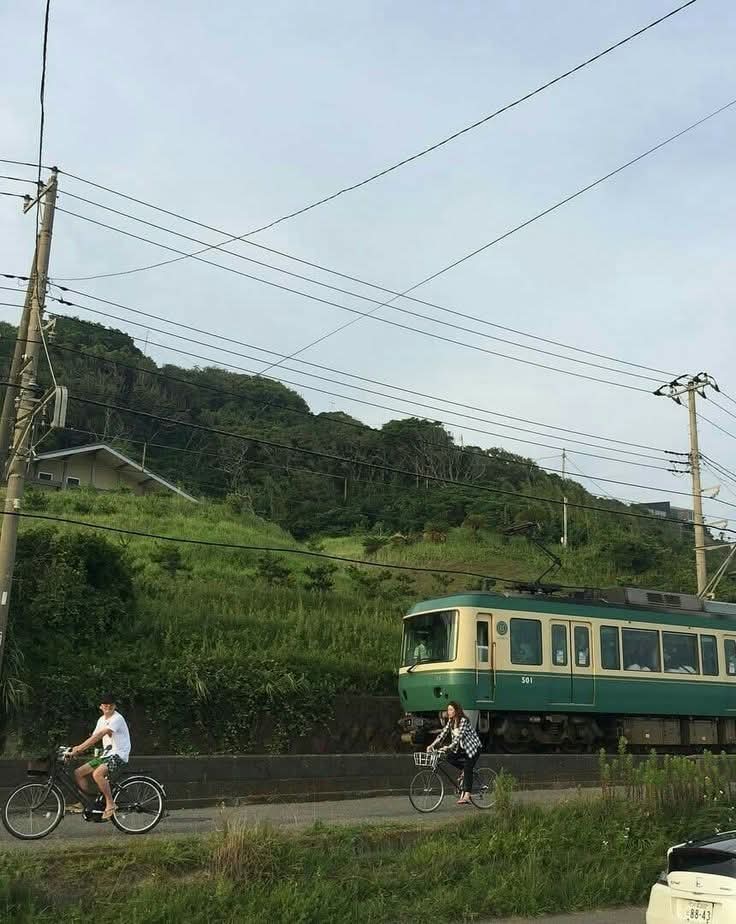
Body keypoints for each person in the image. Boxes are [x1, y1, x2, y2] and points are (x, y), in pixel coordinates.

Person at [68, 695, 131, 820]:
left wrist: (79, 748)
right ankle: (84, 803)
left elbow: (101, 734)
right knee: (79, 772)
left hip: (119, 754)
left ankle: (111, 803)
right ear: (100, 707)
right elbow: (94, 737)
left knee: (97, 774)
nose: (108, 706)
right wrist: (74, 750)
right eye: (105, 704)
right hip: (106, 755)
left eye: (111, 704)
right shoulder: (101, 720)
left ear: (115, 706)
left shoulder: (117, 718)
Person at [427, 701, 482, 805]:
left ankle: (467, 795)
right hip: (461, 749)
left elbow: (458, 737)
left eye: (451, 710)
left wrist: (448, 747)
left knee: (468, 768)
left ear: (457, 711)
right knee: (449, 758)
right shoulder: (451, 722)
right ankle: (464, 770)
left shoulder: (463, 721)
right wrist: (432, 745)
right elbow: (442, 734)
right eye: (448, 710)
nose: (448, 712)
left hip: (473, 749)